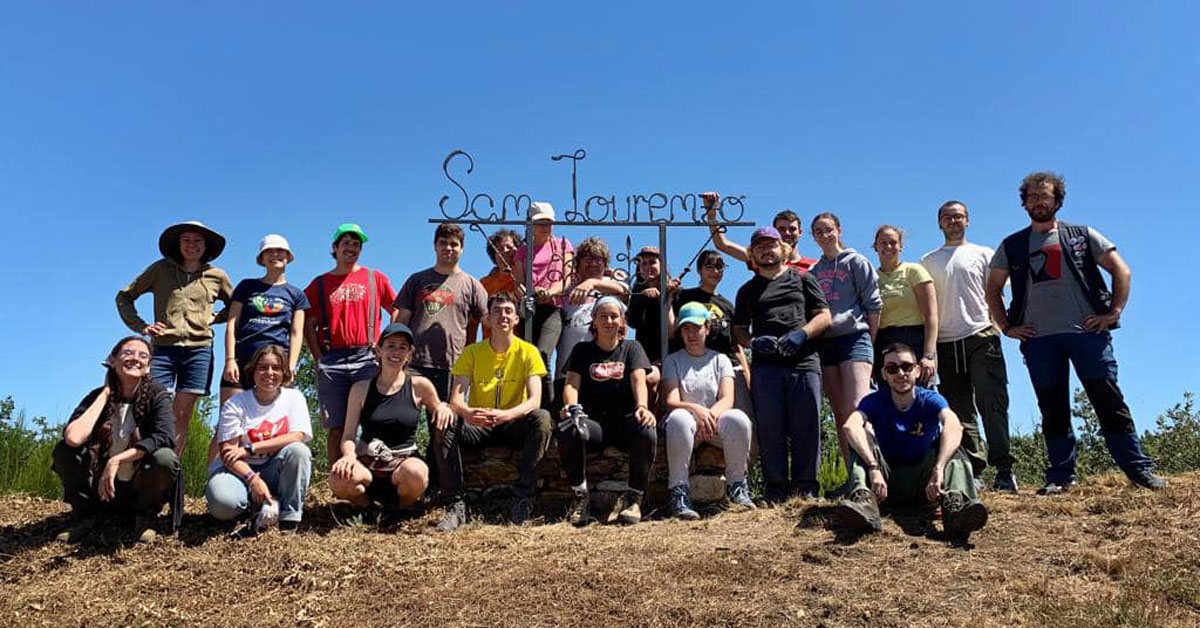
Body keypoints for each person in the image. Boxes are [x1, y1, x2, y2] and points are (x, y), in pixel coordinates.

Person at [985, 171, 1166, 494]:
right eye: (1032, 197)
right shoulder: (1012, 245)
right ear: (1024, 202)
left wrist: (1113, 313)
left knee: (1108, 400)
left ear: (1057, 200)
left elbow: (1121, 269)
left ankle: (1139, 470)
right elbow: (993, 288)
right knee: (1052, 408)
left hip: (1087, 335)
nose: (1039, 201)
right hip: (1039, 340)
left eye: (1045, 196)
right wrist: (1007, 327)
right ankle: (1060, 476)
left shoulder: (1081, 234)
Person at [836, 343, 988, 539]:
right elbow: (851, 426)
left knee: (953, 446)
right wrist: (873, 467)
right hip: (884, 486)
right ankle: (864, 503)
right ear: (884, 374)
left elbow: (954, 426)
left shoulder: (931, 399)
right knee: (860, 438)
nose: (900, 373)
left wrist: (939, 468)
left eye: (907, 367)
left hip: (926, 487)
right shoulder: (874, 401)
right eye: (892, 369)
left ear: (917, 370)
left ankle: (956, 510)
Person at [432, 294, 554, 530]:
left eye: (508, 311)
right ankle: (455, 504)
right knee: (445, 419)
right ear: (487, 318)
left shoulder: (529, 352)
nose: (503, 316)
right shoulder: (472, 352)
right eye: (497, 311)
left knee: (543, 418)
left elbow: (535, 400)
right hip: (479, 424)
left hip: (512, 423)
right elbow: (456, 398)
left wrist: (507, 415)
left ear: (516, 319)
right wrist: (466, 412)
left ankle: (523, 498)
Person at [920, 201, 1017, 491]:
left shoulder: (985, 254)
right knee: (959, 411)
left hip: (980, 335)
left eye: (959, 216)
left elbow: (998, 293)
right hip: (946, 343)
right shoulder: (928, 260)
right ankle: (974, 470)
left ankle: (1004, 469)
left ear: (968, 221)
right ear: (939, 223)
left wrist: (1003, 327)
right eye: (948, 217)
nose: (953, 221)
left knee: (993, 403)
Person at [116, 221, 233, 453]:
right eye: (186, 240)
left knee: (181, 415)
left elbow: (236, 304)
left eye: (197, 241)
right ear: (178, 244)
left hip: (199, 350)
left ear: (205, 246)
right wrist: (142, 327)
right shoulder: (160, 270)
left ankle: (169, 472)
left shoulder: (216, 276)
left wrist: (216, 318)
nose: (192, 245)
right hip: (163, 349)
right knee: (152, 407)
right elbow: (125, 297)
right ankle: (142, 465)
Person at [733, 227, 831, 502]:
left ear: (783, 249)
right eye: (760, 246)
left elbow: (824, 316)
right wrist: (753, 342)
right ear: (752, 254)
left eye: (772, 245)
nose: (767, 250)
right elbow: (738, 330)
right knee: (770, 430)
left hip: (803, 363)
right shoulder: (747, 291)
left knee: (807, 427)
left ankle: (806, 489)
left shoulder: (803, 279)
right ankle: (775, 491)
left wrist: (802, 334)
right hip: (767, 367)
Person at [52, 336, 179, 544]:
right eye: (128, 353)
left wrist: (118, 459)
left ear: (148, 367)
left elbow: (164, 437)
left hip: (138, 487)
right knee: (65, 451)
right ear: (112, 360)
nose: (135, 358)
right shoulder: (96, 396)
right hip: (101, 489)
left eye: (143, 355)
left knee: (164, 457)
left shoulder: (158, 395)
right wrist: (105, 393)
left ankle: (145, 519)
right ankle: (86, 517)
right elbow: (73, 438)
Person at [329, 323, 452, 514]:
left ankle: (401, 509)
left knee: (417, 473)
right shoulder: (360, 389)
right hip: (367, 465)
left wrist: (444, 408)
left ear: (409, 354)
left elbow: (439, 409)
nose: (396, 352)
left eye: (403, 347)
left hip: (403, 464)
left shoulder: (420, 386)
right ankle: (366, 508)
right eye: (390, 345)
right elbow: (348, 435)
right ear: (378, 351)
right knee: (338, 478)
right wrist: (348, 456)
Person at [559, 297, 657, 526]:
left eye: (614, 316)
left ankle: (634, 499)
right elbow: (572, 384)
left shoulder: (632, 348)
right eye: (602, 316)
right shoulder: (582, 350)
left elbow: (639, 381)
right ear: (593, 320)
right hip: (594, 424)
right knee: (568, 428)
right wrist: (571, 407)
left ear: (622, 321)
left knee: (647, 429)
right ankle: (580, 497)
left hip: (624, 423)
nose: (609, 321)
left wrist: (643, 407)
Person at [304, 223, 396, 466]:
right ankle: (338, 484)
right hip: (332, 359)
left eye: (356, 244)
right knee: (337, 426)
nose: (351, 248)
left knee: (372, 422)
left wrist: (384, 346)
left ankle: (371, 478)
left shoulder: (375, 278)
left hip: (366, 357)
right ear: (335, 248)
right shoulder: (320, 284)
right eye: (346, 243)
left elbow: (396, 310)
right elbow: (307, 322)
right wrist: (318, 357)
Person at [809, 212, 882, 497]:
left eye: (828, 230)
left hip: (856, 339)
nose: (824, 235)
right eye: (818, 231)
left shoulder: (857, 262)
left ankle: (873, 472)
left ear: (838, 230)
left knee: (858, 410)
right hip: (827, 345)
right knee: (840, 415)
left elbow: (873, 306)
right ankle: (854, 478)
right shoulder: (814, 272)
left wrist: (871, 345)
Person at [661, 302, 756, 519]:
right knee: (678, 419)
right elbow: (672, 400)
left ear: (707, 328)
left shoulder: (721, 359)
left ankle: (737, 485)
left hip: (713, 422)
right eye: (686, 328)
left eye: (696, 327)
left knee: (739, 419)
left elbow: (727, 399)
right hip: (687, 425)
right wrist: (698, 411)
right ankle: (678, 491)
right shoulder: (673, 361)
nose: (691, 333)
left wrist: (708, 416)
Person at [205, 345, 313, 533]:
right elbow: (228, 454)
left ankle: (289, 518)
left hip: (274, 468)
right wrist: (253, 479)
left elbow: (297, 435)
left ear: (284, 372)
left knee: (299, 451)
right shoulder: (235, 403)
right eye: (262, 367)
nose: (269, 373)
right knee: (222, 504)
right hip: (240, 472)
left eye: (276, 368)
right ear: (253, 370)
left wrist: (249, 449)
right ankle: (254, 506)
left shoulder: (294, 398)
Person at [391, 222, 488, 402]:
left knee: (444, 426)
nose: (448, 248)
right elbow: (401, 319)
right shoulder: (416, 280)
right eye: (443, 243)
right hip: (414, 363)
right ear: (435, 246)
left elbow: (489, 320)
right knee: (404, 423)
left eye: (454, 244)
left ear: (462, 248)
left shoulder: (472, 285)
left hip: (453, 366)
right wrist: (392, 352)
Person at [219, 235, 309, 406]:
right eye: (269, 251)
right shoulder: (246, 286)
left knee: (274, 419)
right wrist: (230, 360)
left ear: (288, 256)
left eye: (280, 251)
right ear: (261, 258)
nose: (275, 254)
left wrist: (291, 366)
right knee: (229, 418)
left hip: (276, 364)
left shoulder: (297, 295)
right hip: (243, 359)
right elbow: (232, 325)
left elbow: (297, 333)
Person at [669, 250, 751, 416]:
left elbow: (735, 344)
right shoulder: (684, 296)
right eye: (709, 266)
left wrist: (747, 375)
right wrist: (669, 296)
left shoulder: (727, 305)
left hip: (728, 368)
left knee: (743, 418)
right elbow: (672, 330)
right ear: (699, 269)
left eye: (719, 267)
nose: (715, 272)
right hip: (692, 367)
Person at [512, 202, 573, 406]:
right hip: (529, 309)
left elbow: (567, 279)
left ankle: (545, 408)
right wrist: (526, 293)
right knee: (525, 358)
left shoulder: (563, 244)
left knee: (542, 354)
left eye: (548, 222)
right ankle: (525, 406)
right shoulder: (523, 250)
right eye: (540, 222)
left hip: (552, 308)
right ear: (530, 224)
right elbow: (518, 282)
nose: (545, 227)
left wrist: (549, 292)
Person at [556, 236, 629, 395]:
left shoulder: (610, 283)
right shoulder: (567, 287)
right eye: (588, 259)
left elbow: (624, 291)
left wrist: (593, 283)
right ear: (578, 263)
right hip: (567, 371)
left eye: (598, 259)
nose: (593, 264)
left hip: (603, 371)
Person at [872, 225, 938, 386]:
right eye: (883, 242)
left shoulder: (914, 271)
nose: (888, 247)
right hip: (884, 341)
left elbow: (931, 316)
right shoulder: (871, 278)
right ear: (875, 246)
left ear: (901, 246)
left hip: (915, 338)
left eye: (893, 242)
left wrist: (928, 355)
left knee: (921, 395)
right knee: (888, 398)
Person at [703, 192, 818, 271]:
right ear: (774, 232)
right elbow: (722, 244)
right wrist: (711, 216)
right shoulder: (761, 256)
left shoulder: (813, 267)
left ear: (800, 232)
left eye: (792, 229)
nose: (787, 233)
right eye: (782, 229)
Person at [625, 245, 679, 382]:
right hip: (645, 355)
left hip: (671, 355)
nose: (648, 267)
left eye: (653, 262)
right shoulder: (637, 291)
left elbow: (673, 332)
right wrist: (643, 298)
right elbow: (633, 322)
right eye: (644, 263)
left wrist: (665, 298)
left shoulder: (676, 291)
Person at [479, 229, 524, 340]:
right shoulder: (484, 283)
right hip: (490, 345)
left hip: (519, 344)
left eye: (509, 247)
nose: (504, 251)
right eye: (499, 248)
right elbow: (477, 317)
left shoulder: (525, 277)